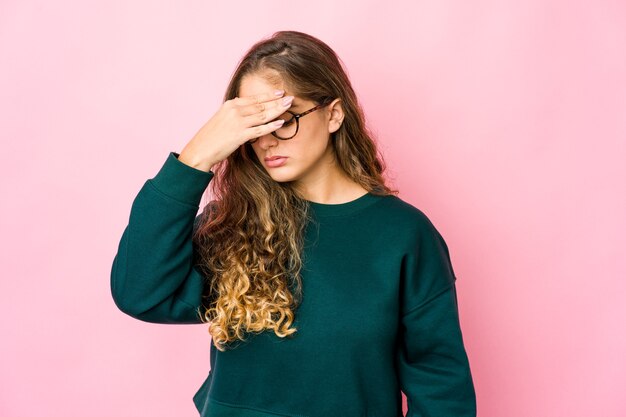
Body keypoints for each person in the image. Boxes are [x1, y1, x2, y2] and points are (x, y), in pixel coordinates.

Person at [110, 30, 477, 417]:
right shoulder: (230, 224)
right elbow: (140, 293)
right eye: (254, 126)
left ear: (334, 114)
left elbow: (441, 386)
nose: (267, 141)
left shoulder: (404, 235)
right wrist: (195, 158)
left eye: (283, 120)